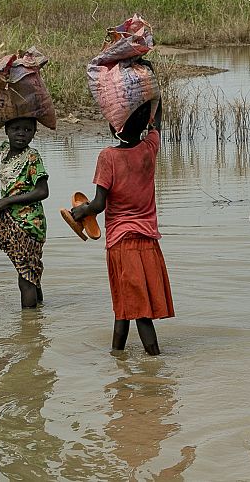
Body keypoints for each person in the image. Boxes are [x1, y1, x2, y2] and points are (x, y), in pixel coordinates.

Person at [71, 101, 174, 355]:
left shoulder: (108, 156)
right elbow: (157, 122)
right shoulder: (150, 147)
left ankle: (150, 367)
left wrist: (81, 211)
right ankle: (122, 359)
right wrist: (153, 96)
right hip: (148, 242)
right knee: (126, 309)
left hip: (122, 244)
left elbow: (98, 204)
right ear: (144, 123)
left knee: (135, 312)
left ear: (113, 125)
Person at [0, 117, 49, 309]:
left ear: (34, 133)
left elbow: (42, 191)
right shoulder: (4, 150)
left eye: (28, 130)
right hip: (13, 221)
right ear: (7, 130)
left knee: (25, 278)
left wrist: (7, 201)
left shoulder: (32, 157)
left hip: (28, 224)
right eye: (16, 129)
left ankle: (29, 328)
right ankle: (38, 313)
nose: (21, 133)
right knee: (30, 272)